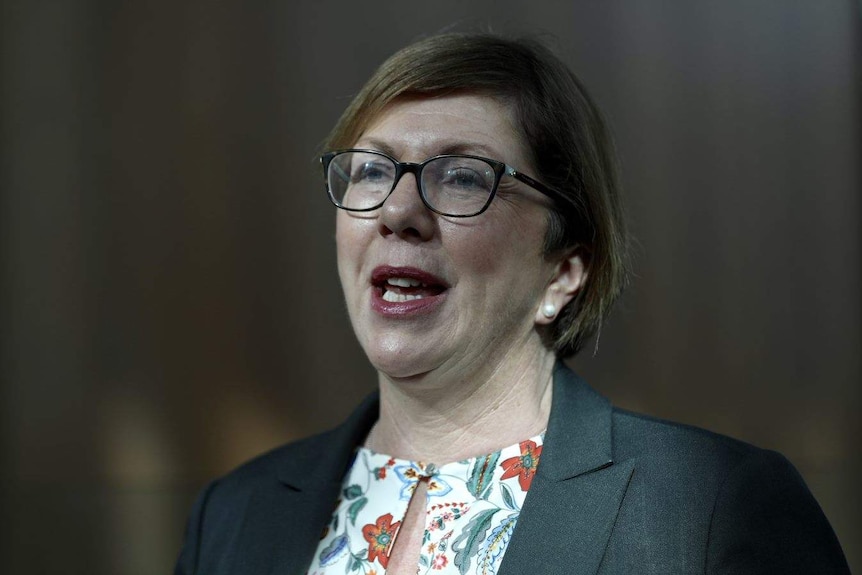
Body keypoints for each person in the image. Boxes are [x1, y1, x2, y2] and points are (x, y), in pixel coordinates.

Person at [174, 32, 849, 574]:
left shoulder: (715, 507)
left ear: (564, 271)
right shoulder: (234, 513)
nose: (399, 211)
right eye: (373, 169)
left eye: (463, 176)